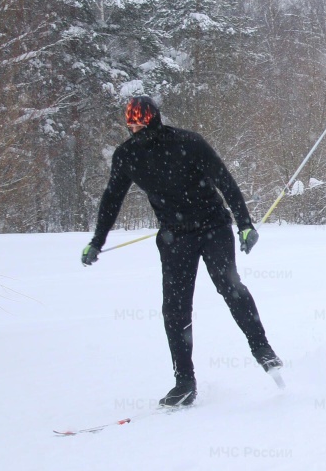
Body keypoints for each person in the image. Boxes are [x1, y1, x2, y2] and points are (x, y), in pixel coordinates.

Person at [81, 96, 282, 406]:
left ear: (154, 120)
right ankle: (185, 382)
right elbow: (112, 199)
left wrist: (244, 224)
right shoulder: (127, 155)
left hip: (213, 226)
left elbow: (224, 181)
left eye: (140, 123)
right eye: (130, 124)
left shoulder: (188, 142)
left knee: (228, 285)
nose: (135, 129)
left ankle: (262, 348)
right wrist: (97, 240)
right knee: (175, 308)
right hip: (175, 237)